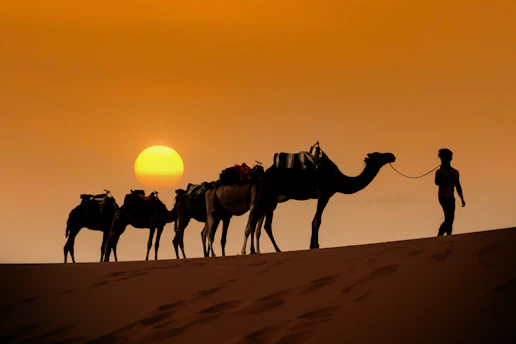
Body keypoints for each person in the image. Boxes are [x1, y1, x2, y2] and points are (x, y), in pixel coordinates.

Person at [434, 148, 465, 236]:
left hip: (451, 197)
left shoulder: (455, 172)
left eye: (445, 157)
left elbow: (458, 186)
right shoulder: (439, 171)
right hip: (443, 196)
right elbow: (437, 182)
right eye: (442, 158)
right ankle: (446, 236)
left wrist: (462, 198)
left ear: (450, 158)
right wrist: (440, 173)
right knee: (449, 217)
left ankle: (444, 235)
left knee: (450, 218)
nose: (443, 160)